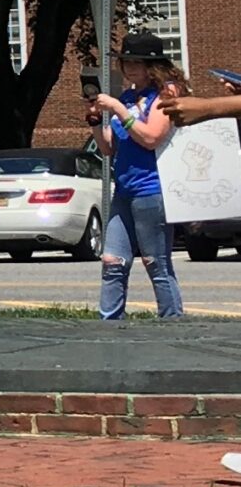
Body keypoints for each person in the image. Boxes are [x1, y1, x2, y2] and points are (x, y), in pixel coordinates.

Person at [93, 28, 184, 321]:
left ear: (152, 65)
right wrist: (95, 121)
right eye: (126, 62)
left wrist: (119, 109)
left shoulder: (165, 95)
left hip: (151, 190)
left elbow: (151, 137)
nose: (129, 68)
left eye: (136, 62)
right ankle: (109, 325)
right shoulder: (128, 97)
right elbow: (109, 148)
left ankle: (172, 322)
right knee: (112, 262)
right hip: (124, 190)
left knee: (155, 262)